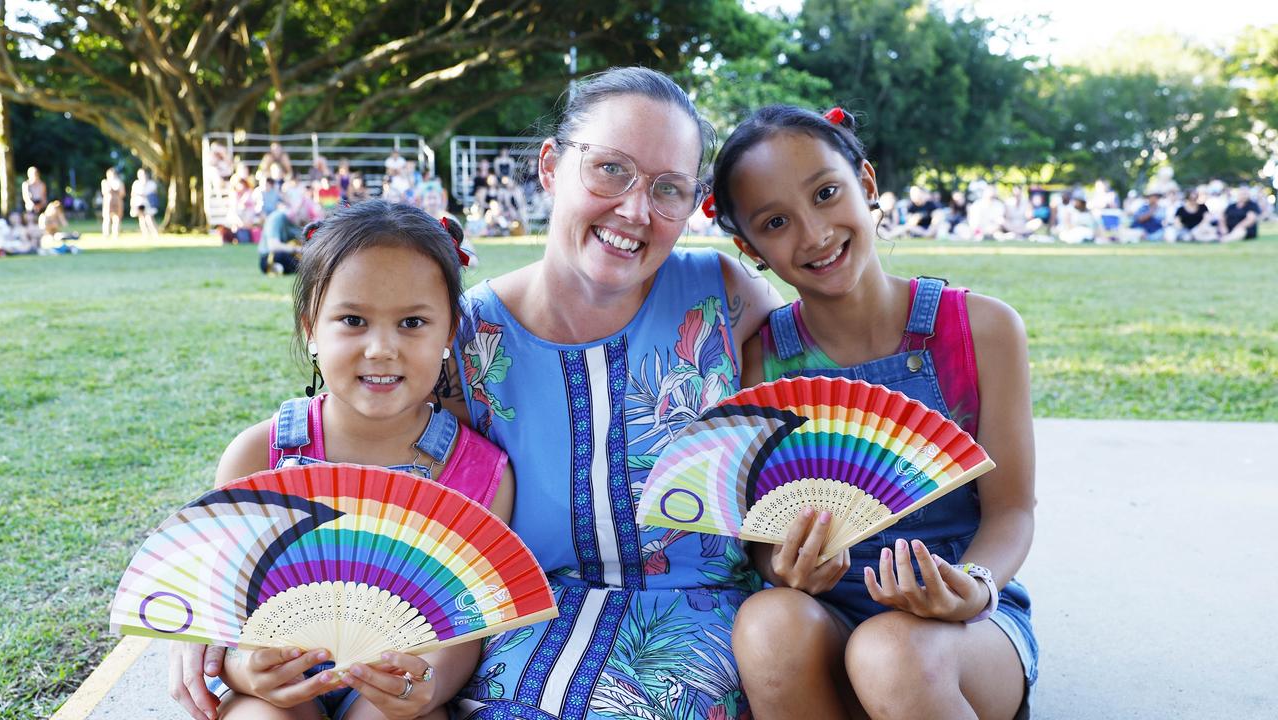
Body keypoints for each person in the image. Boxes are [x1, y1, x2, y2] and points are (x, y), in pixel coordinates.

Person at [444, 66, 779, 719]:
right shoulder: (464, 335)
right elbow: (354, 442)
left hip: (700, 618)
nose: (634, 210)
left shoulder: (726, 295)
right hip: (523, 619)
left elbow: (822, 408)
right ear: (550, 166)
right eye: (610, 169)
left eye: (668, 189)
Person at [708, 105, 1037, 719]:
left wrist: (974, 587)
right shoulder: (760, 363)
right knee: (766, 621)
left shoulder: (981, 330)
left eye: (826, 194)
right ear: (748, 248)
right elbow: (757, 535)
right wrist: (784, 566)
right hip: (827, 619)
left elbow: (1012, 510)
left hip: (964, 627)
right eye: (776, 222)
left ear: (866, 184)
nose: (814, 234)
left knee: (890, 652)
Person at [169, 200, 512, 720]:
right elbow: (224, 617)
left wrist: (426, 685)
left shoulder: (480, 476)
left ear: (449, 332)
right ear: (311, 326)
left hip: (400, 686)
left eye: (412, 322)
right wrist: (244, 671)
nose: (380, 348)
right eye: (353, 319)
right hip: (274, 687)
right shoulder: (255, 457)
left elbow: (467, 628)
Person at [130, 169, 161, 241]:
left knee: (149, 218)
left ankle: (155, 233)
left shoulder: (151, 183)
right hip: (139, 203)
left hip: (149, 204)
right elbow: (133, 194)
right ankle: (145, 234)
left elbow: (154, 194)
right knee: (141, 218)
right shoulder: (136, 183)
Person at [101, 168, 126, 241]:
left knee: (117, 218)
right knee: (107, 218)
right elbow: (104, 192)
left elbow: (122, 193)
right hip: (108, 201)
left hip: (117, 201)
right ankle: (106, 234)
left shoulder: (119, 182)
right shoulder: (105, 182)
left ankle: (116, 233)